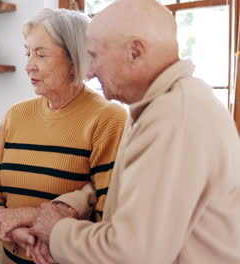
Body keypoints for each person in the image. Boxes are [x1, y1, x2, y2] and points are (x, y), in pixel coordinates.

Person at [29, 1, 240, 263]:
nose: (90, 71)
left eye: (95, 56)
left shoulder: (174, 117)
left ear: (135, 52)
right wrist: (76, 202)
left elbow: (132, 254)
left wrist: (58, 232)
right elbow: (130, 187)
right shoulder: (157, 106)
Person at [0, 8, 127, 264]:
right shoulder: (16, 116)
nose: (29, 65)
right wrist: (14, 232)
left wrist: (30, 216)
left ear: (75, 59)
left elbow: (108, 210)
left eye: (41, 54)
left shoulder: (109, 118)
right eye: (28, 53)